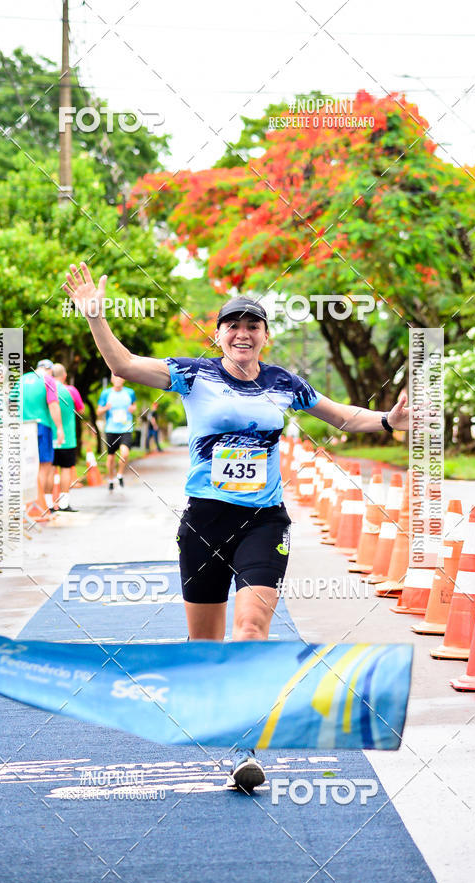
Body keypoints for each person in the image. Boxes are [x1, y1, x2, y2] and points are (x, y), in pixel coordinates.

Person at [62, 263, 410, 792]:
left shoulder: (283, 383)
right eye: (233, 325)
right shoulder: (193, 374)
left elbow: (341, 416)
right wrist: (96, 317)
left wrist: (387, 420)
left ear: (265, 336)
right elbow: (124, 364)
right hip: (204, 522)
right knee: (205, 645)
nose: (242, 333)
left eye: (253, 326)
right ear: (219, 334)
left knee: (250, 627)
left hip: (263, 522)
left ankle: (244, 743)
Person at [20, 359, 64, 515]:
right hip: (41, 426)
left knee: (25, 466)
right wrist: (59, 428)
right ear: (50, 370)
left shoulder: (21, 380)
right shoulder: (48, 380)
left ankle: (26, 505)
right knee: (44, 466)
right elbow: (53, 405)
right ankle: (39, 505)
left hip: (21, 427)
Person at [49, 363, 84, 512]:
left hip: (50, 435)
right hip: (67, 437)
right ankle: (64, 503)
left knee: (49, 469)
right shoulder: (71, 390)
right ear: (64, 376)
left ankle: (48, 504)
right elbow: (81, 410)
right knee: (65, 469)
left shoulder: (47, 390)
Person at [97, 374, 136, 490]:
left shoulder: (130, 392)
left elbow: (134, 406)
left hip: (126, 428)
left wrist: (132, 409)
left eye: (120, 377)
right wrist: (106, 408)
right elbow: (98, 411)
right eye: (115, 377)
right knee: (111, 457)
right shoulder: (106, 393)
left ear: (123, 379)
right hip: (111, 429)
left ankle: (119, 474)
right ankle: (110, 479)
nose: (118, 380)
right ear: (112, 380)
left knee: (125, 453)